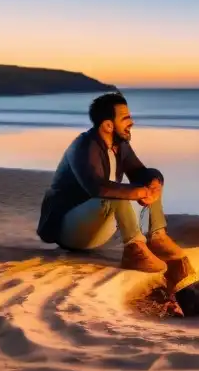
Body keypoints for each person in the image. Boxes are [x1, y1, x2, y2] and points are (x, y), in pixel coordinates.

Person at [36, 92, 186, 273]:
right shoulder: (84, 146)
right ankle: (134, 250)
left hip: (97, 230)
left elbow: (139, 172)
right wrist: (136, 192)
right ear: (108, 125)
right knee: (116, 192)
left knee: (148, 185)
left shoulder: (119, 146)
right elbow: (96, 187)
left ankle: (158, 237)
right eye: (125, 118)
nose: (131, 123)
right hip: (69, 229)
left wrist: (154, 181)